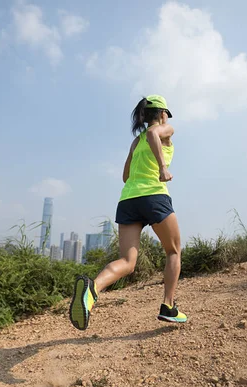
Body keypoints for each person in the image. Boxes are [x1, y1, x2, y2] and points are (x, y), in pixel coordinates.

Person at [69, 94, 187, 331]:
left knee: (127, 261)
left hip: (128, 199)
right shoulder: (165, 130)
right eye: (166, 115)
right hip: (154, 196)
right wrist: (162, 168)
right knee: (173, 251)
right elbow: (155, 133)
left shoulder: (136, 141)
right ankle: (168, 306)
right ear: (163, 114)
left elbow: (125, 176)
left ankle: (93, 289)